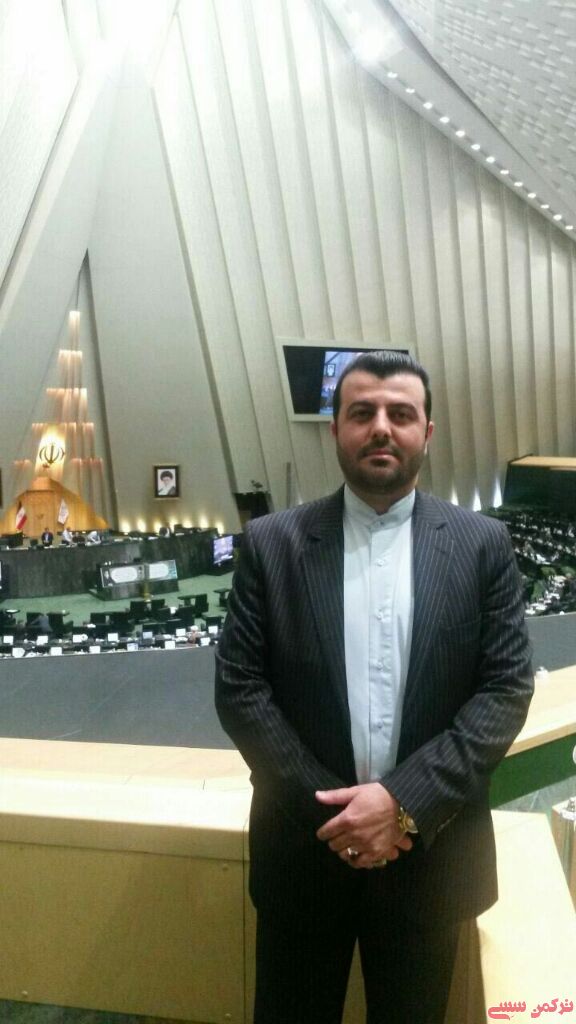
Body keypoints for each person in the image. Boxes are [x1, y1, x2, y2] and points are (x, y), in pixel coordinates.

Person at [215, 350, 533, 1024]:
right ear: (335, 430)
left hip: (430, 862)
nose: (381, 427)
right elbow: (241, 691)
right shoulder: (271, 545)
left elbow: (505, 689)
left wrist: (403, 803)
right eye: (362, 412)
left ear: (427, 432)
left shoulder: (483, 545)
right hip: (303, 857)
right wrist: (340, 821)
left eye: (401, 414)